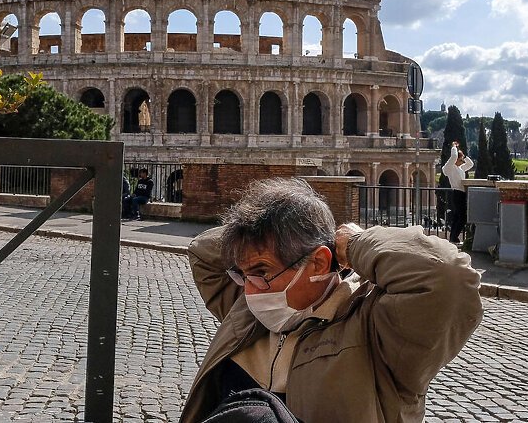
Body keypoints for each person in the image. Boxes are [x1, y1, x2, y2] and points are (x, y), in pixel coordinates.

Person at [181, 178, 483, 423]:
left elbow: (446, 276)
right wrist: (264, 227)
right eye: (243, 275)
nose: (249, 290)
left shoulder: (376, 329)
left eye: (262, 271)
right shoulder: (249, 310)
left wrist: (353, 244)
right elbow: (202, 253)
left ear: (319, 264)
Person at [442, 141, 473, 244]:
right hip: (457, 193)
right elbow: (454, 156)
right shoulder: (450, 168)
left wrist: (464, 157)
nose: (462, 162)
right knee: (462, 217)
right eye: (460, 160)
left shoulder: (460, 168)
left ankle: (453, 237)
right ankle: (454, 237)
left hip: (461, 194)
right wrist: (454, 147)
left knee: (457, 216)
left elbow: (470, 164)